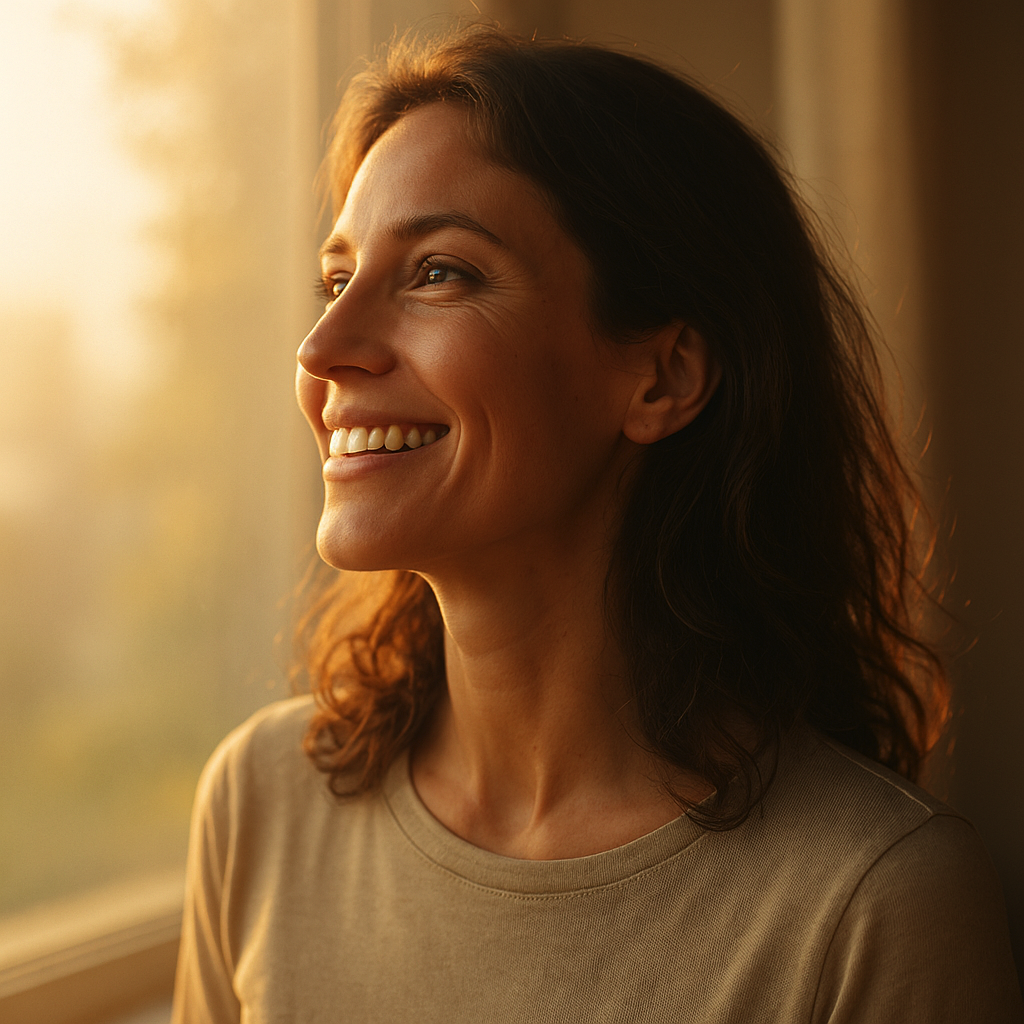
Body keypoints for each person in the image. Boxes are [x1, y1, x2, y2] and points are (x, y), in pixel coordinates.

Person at [171, 23, 1023, 1023]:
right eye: (335, 280)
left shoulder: (873, 903)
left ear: (663, 376)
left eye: (438, 271)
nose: (322, 349)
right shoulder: (261, 805)